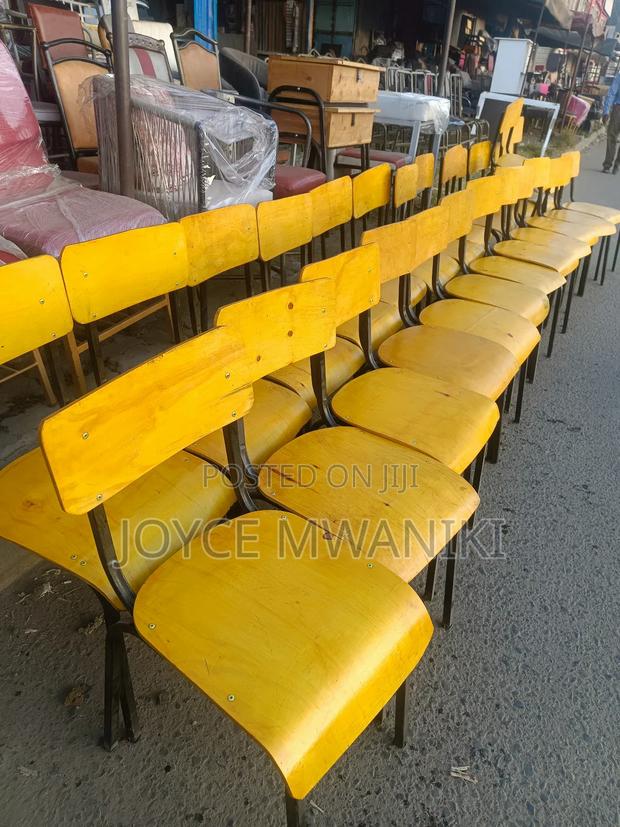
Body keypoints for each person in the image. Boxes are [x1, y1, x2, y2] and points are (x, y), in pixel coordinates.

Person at [602, 72, 620, 173]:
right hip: (618, 109)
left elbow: (612, 93)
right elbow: (612, 93)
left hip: (618, 109)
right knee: (612, 136)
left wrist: (606, 111)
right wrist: (606, 111)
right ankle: (615, 165)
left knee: (612, 137)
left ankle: (608, 165)